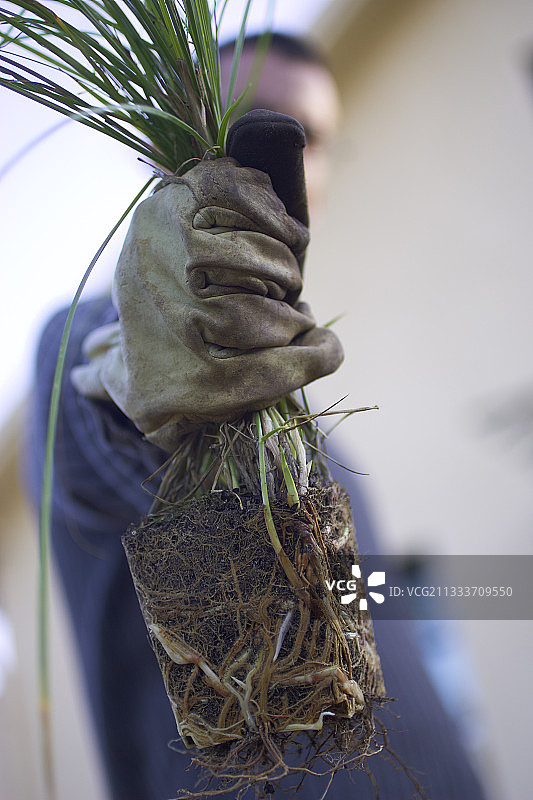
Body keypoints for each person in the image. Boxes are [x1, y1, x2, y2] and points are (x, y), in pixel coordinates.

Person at [26, 33, 488, 800]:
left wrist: (500, 587)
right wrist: (173, 336)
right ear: (157, 149)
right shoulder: (85, 349)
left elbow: (346, 594)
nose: (279, 167)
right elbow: (112, 441)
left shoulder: (320, 450)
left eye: (309, 137)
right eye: (245, 124)